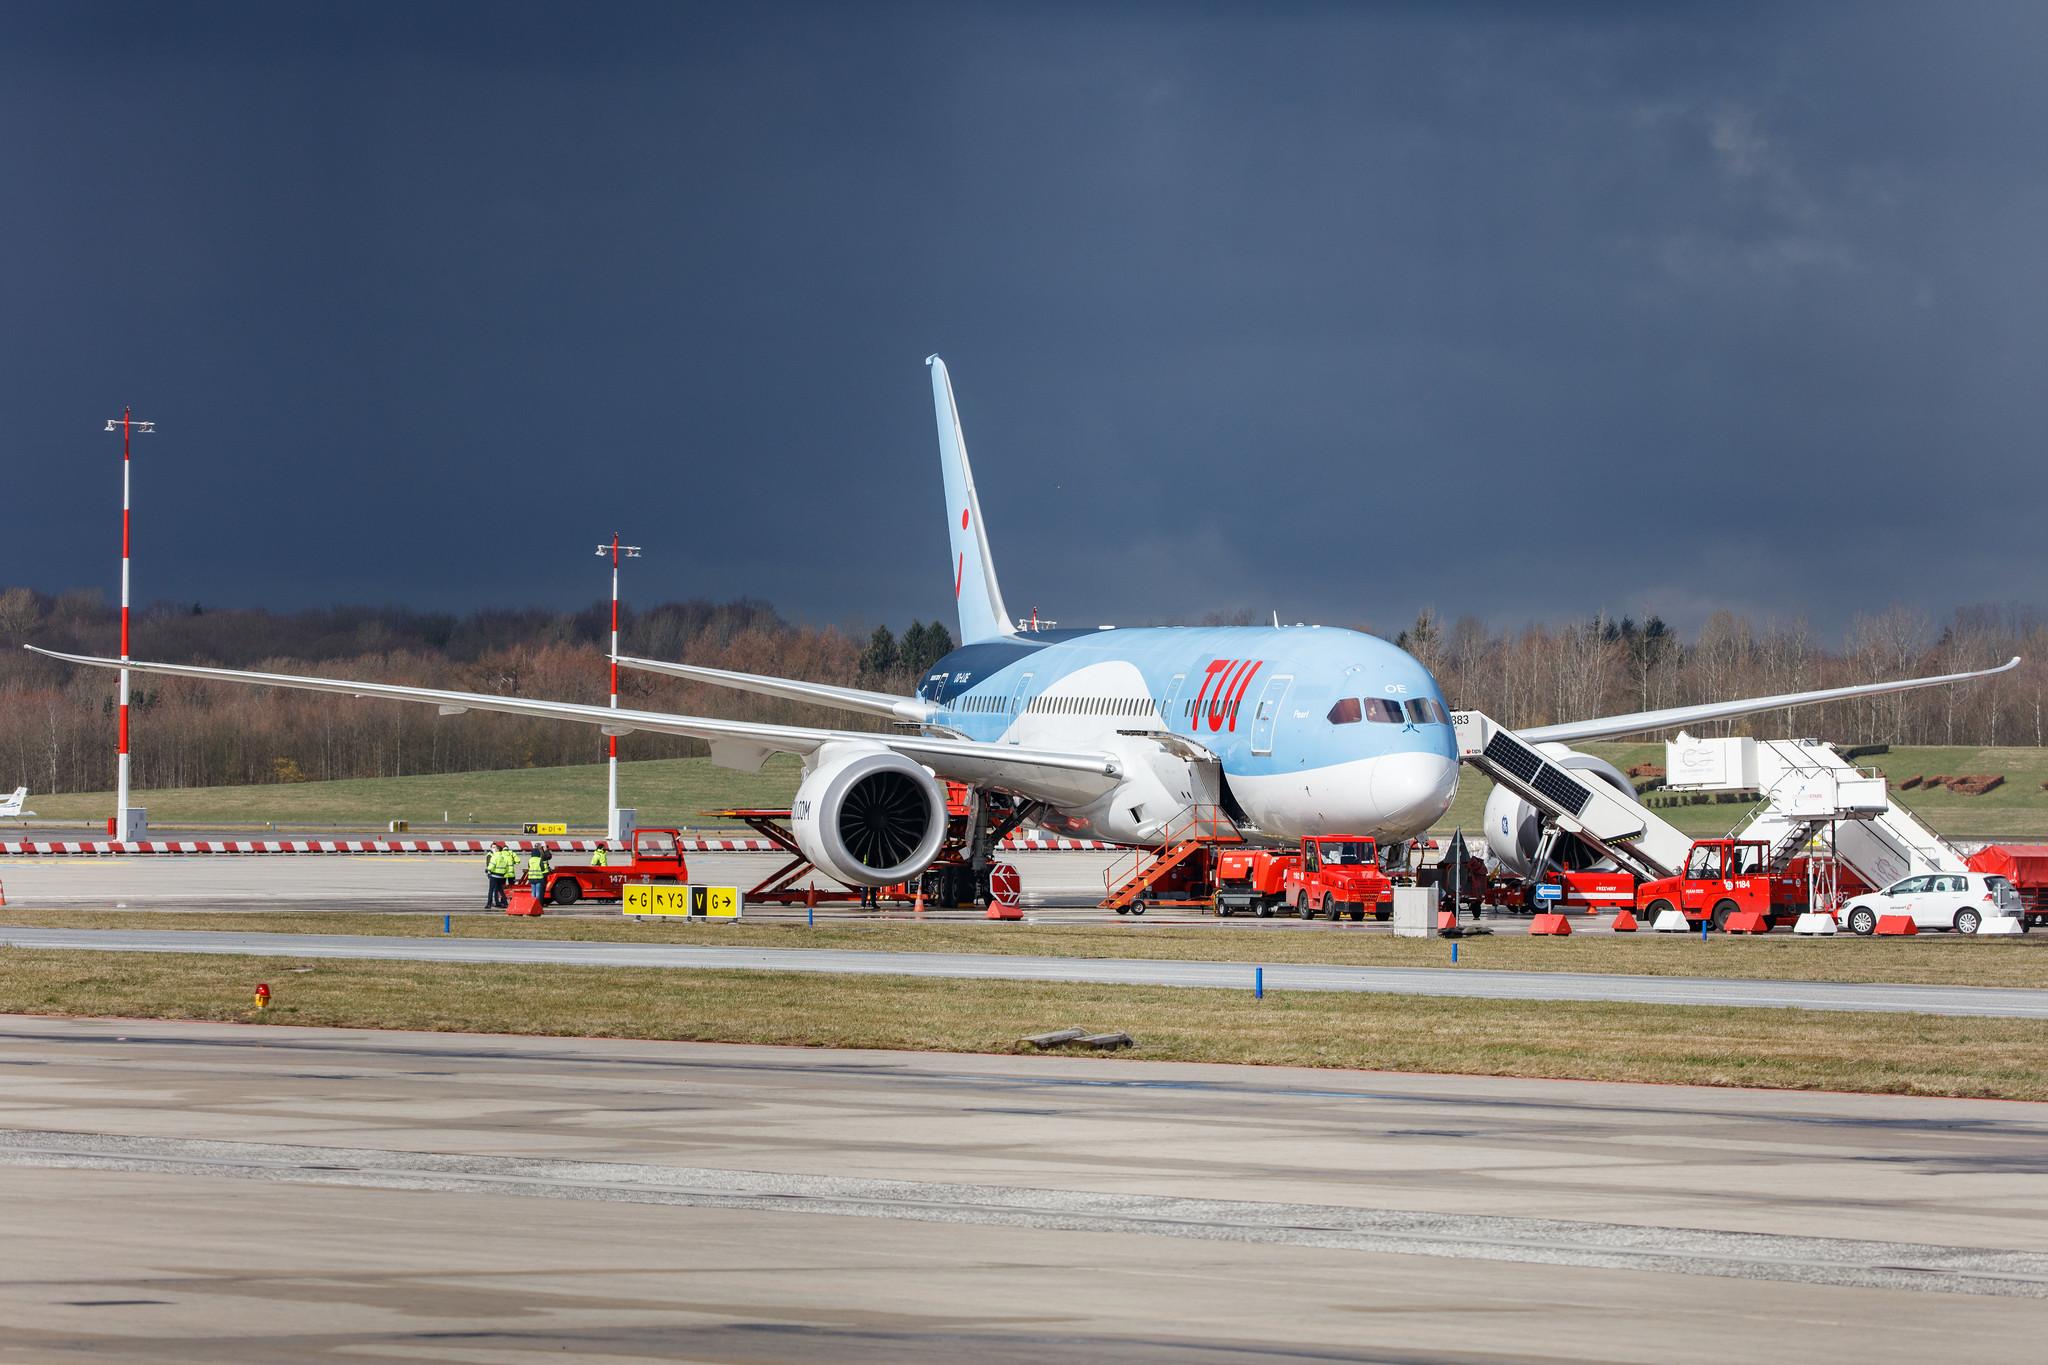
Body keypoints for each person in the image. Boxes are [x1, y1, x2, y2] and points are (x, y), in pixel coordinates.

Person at [484, 842, 509, 909]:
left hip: (494, 876)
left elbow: (491, 866)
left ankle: (489, 904)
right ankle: (505, 903)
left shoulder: (494, 857)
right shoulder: (504, 858)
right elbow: (507, 867)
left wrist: (487, 869)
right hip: (501, 876)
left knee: (491, 890)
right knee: (501, 890)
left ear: (497, 849)